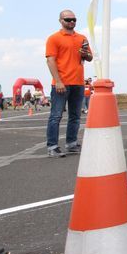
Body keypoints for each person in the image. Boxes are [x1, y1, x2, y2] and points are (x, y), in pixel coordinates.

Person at [45, 9, 92, 157]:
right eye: (68, 19)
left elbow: (90, 57)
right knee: (56, 116)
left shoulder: (82, 38)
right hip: (61, 83)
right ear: (61, 21)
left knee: (75, 116)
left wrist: (85, 54)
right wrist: (58, 81)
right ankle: (52, 146)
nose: (71, 22)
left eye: (74, 19)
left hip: (78, 83)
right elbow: (50, 60)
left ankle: (71, 143)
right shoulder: (54, 38)